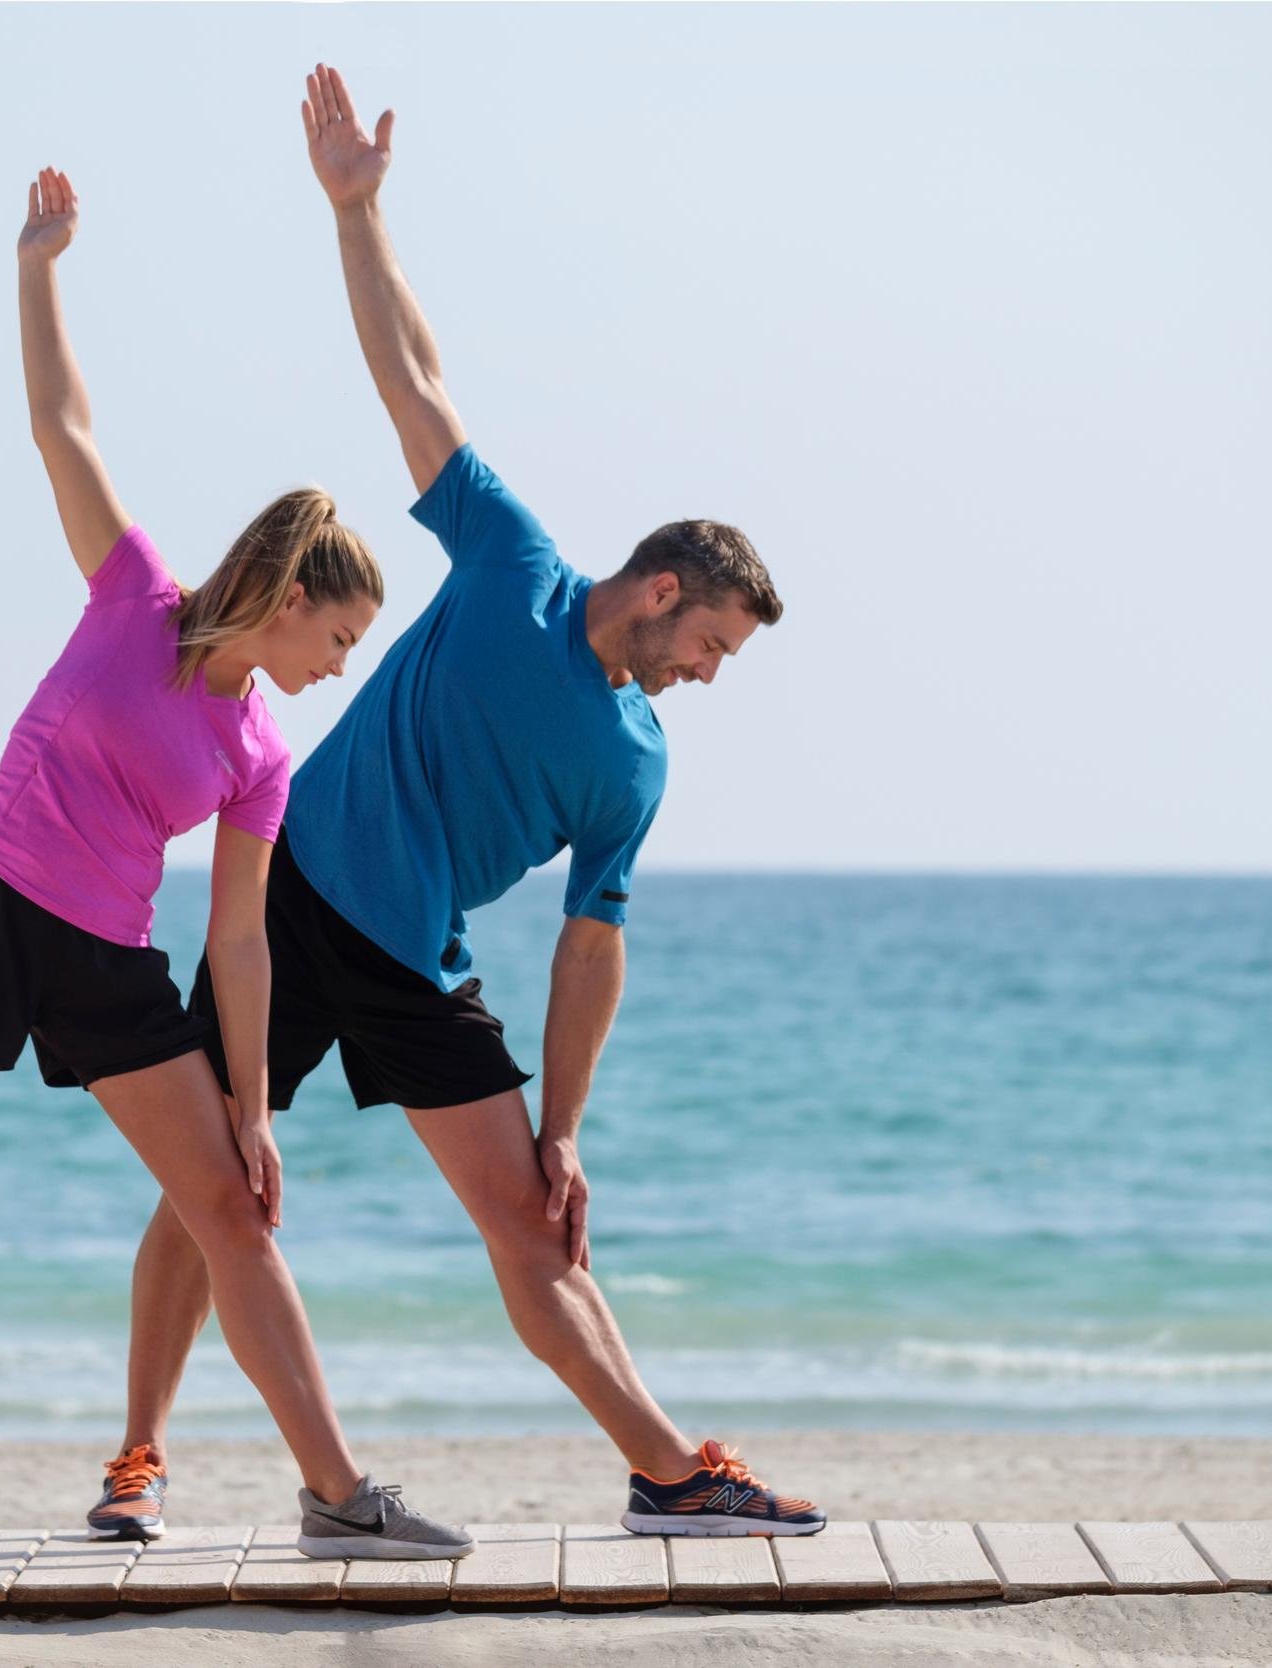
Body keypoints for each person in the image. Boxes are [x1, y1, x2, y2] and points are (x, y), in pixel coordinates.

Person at [82, 71, 824, 1546]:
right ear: (665, 589)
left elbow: (590, 946)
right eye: (712, 647)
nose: (708, 677)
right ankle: (138, 1460)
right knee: (208, 1180)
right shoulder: (511, 565)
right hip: (293, 898)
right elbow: (411, 379)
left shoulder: (638, 763)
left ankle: (671, 1474)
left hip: (418, 956)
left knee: (537, 1221)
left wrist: (566, 1122)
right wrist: (359, 214)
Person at [0, 165, 470, 1565]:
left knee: (232, 1215)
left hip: (105, 955)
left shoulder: (262, 751)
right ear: (293, 601)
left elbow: (238, 943)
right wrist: (38, 266)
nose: (336, 671)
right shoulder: (135, 595)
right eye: (339, 643)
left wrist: (252, 1109)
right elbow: (61, 425)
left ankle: (337, 1496)